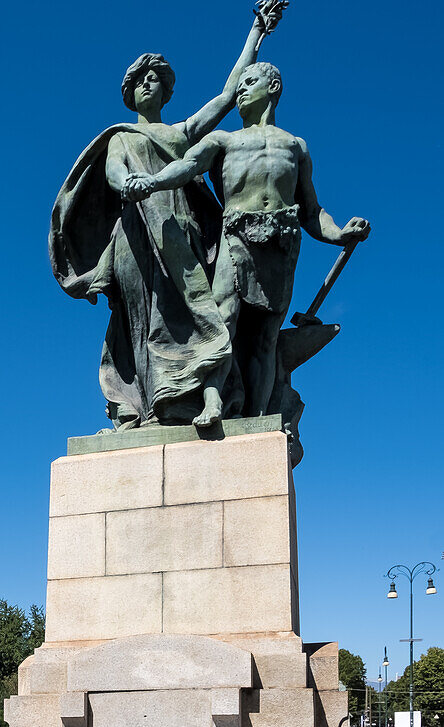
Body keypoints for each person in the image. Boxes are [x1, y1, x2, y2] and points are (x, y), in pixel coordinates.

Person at [48, 2, 285, 429]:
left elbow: (229, 95)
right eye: (139, 80)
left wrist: (257, 32)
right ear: (129, 92)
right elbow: (116, 173)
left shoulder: (180, 133)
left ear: (167, 91)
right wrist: (129, 185)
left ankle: (187, 399)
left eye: (154, 78)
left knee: (191, 313)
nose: (146, 84)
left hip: (179, 234)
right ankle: (142, 407)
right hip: (136, 236)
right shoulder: (122, 136)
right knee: (141, 320)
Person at [125, 62, 370, 418]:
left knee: (266, 338)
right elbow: (188, 166)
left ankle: (258, 417)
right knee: (224, 319)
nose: (241, 90)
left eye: (249, 82)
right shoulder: (224, 140)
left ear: (273, 87)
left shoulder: (295, 145)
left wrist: (339, 233)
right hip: (236, 235)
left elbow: (312, 211)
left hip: (282, 242)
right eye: (239, 85)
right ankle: (212, 401)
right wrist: (153, 182)